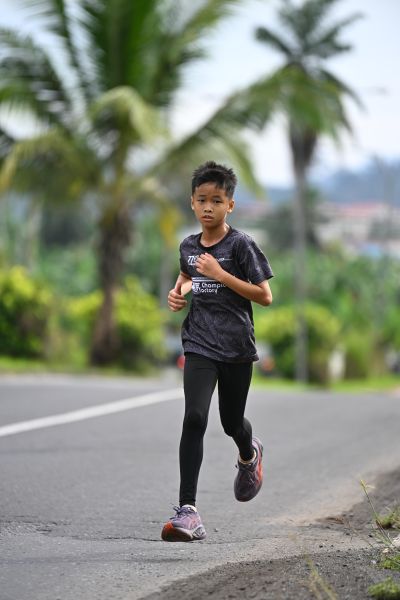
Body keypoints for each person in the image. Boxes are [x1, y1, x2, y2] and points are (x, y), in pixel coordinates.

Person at [161, 161, 273, 542]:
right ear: (192, 202)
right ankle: (188, 511)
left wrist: (221, 274)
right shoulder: (189, 246)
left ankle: (249, 453)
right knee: (194, 417)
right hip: (199, 344)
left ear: (230, 205)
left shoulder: (241, 245)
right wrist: (178, 293)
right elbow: (188, 275)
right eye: (202, 199)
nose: (208, 207)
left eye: (217, 200)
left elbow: (265, 296)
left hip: (237, 348)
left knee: (231, 423)